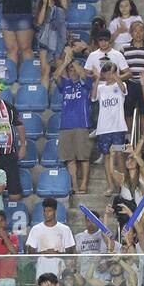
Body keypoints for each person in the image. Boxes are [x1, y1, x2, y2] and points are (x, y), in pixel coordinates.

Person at [54, 47, 95, 195]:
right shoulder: (66, 84)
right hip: (66, 126)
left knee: (83, 157)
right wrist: (66, 63)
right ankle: (74, 185)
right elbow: (56, 76)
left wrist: (73, 61)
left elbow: (84, 75)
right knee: (69, 158)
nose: (72, 72)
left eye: (74, 70)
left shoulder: (86, 83)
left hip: (82, 125)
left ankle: (84, 183)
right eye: (70, 70)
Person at [93, 63, 129, 189]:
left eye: (111, 72)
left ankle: (123, 184)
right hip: (103, 128)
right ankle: (110, 185)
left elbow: (124, 91)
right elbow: (93, 98)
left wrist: (116, 76)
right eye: (106, 72)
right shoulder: (100, 87)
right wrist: (97, 79)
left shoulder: (121, 85)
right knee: (106, 156)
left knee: (119, 154)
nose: (108, 75)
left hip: (118, 127)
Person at [26, 197, 76, 280]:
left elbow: (70, 254)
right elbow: (30, 254)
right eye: (44, 211)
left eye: (49, 211)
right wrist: (44, 253)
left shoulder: (65, 229)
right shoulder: (35, 229)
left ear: (55, 211)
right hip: (41, 271)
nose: (46, 213)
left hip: (60, 272)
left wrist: (56, 254)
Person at [34, 0, 68, 85]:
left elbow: (63, 20)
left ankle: (66, 94)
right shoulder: (40, 4)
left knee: (61, 69)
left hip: (59, 39)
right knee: (45, 71)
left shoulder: (62, 1)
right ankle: (44, 97)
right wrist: (45, 4)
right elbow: (39, 22)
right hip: (45, 40)